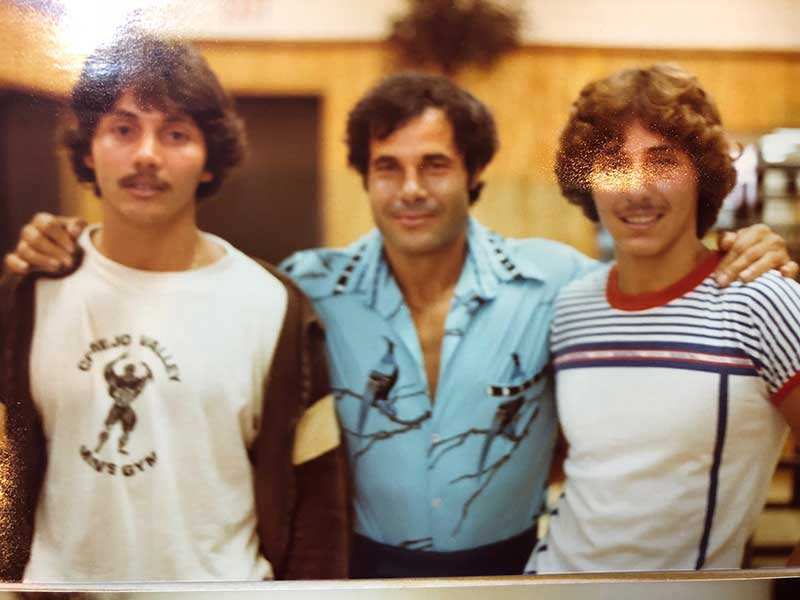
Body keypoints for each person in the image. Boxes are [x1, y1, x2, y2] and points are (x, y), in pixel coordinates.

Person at [6, 72, 797, 578]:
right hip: (358, 570)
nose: (411, 189)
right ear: (367, 179)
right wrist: (71, 241)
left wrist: (748, 248)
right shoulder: (301, 291)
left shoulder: (561, 283)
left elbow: (659, 295)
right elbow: (195, 281)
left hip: (517, 570)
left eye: (435, 165)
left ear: (474, 175)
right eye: (389, 167)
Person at [0, 33, 349, 582]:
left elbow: (319, 505)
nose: (146, 154)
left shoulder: (275, 307)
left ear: (209, 159)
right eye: (122, 128)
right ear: (88, 149)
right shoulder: (31, 291)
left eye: (175, 133)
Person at [526, 63, 800, 574]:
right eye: (612, 163)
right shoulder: (572, 306)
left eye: (663, 161)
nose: (636, 188)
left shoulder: (760, 299)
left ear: (704, 175)